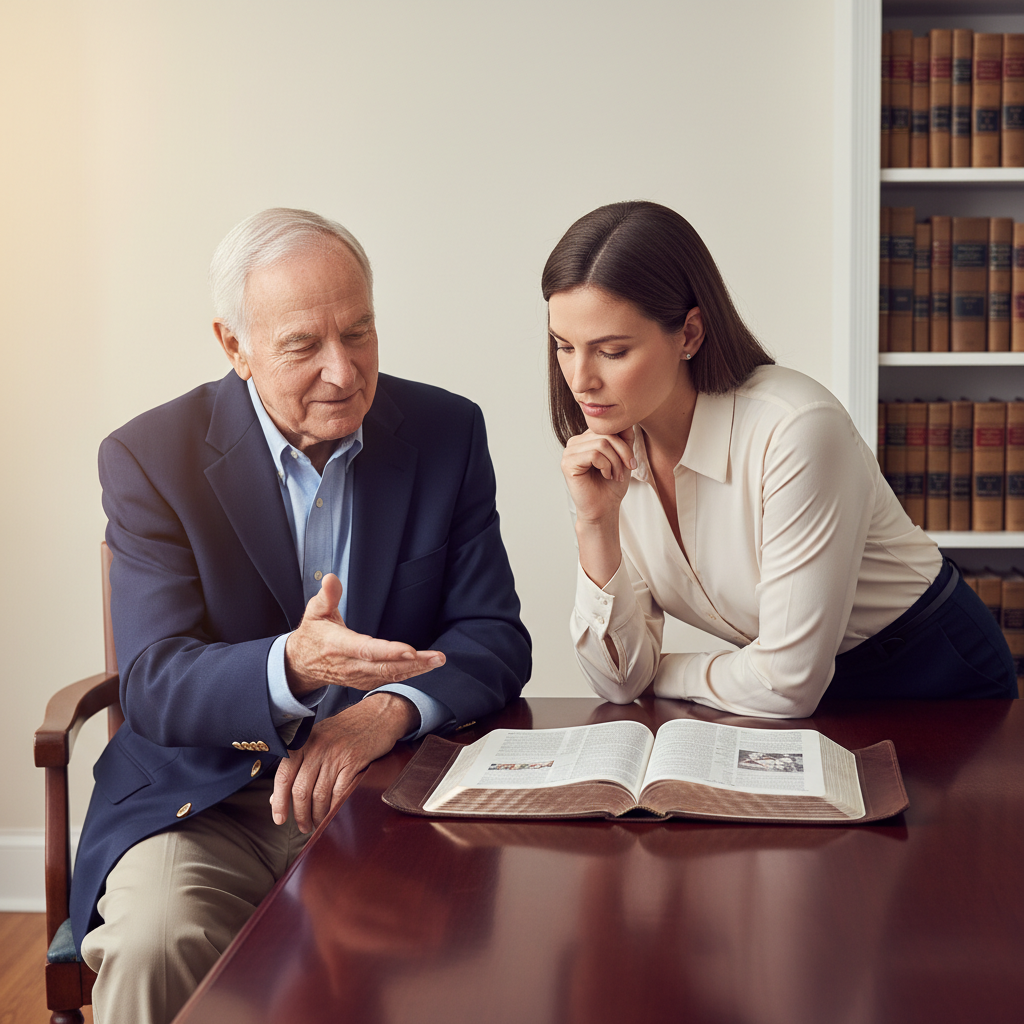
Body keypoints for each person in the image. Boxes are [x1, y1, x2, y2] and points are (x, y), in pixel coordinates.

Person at [70, 208, 532, 1024]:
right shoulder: (150, 457)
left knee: (486, 955)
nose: (344, 372)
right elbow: (154, 682)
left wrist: (383, 714)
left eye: (360, 332)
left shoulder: (446, 432)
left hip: (385, 792)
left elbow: (492, 634)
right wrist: (293, 665)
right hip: (205, 802)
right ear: (233, 346)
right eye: (302, 346)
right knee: (152, 948)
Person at [544, 200, 1015, 717]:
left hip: (932, 682)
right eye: (564, 346)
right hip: (781, 697)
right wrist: (595, 523)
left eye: (611, 352)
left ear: (690, 334)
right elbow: (618, 681)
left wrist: (663, 671)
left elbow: (787, 684)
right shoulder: (610, 456)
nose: (581, 378)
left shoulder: (796, 428)